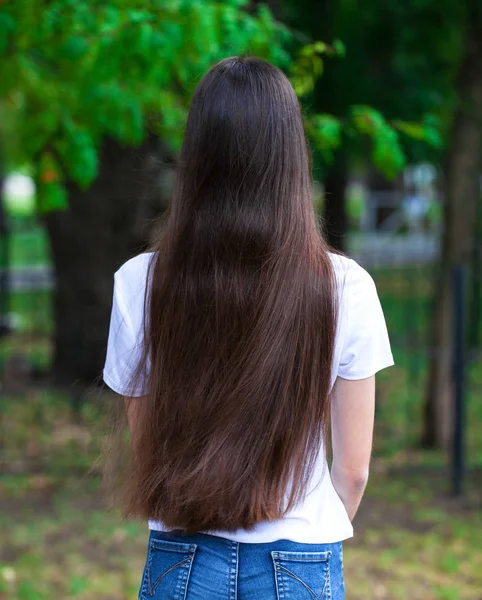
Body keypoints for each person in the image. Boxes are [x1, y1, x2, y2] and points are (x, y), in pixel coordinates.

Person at [103, 56, 394, 600]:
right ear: (290, 158)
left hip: (183, 558)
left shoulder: (139, 283)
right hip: (300, 563)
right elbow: (353, 471)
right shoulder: (345, 287)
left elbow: (150, 451)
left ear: (197, 156)